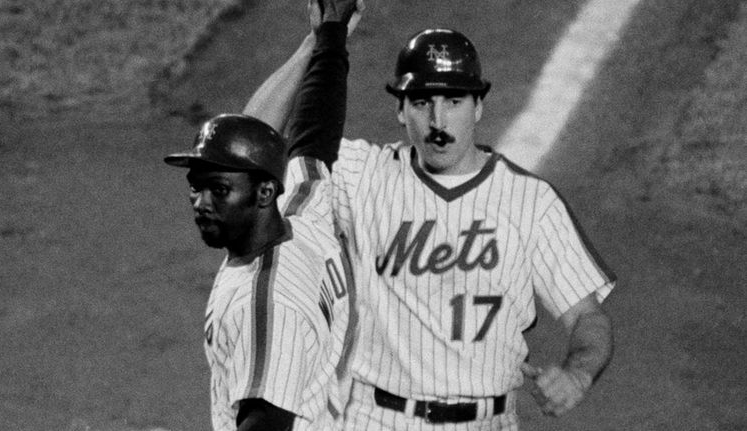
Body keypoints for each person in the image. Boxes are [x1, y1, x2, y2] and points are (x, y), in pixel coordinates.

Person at [246, 23, 616, 431]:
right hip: (373, 419)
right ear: (400, 109)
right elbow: (247, 142)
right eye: (422, 102)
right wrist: (317, 43)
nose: (438, 120)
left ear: (478, 106)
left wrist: (577, 374)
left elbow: (587, 317)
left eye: (454, 101)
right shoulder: (361, 174)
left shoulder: (531, 203)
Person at [162, 1, 360, 429]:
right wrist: (326, 38)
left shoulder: (268, 305)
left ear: (265, 191)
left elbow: (266, 422)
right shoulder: (303, 211)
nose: (201, 202)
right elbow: (313, 131)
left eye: (219, 190)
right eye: (196, 186)